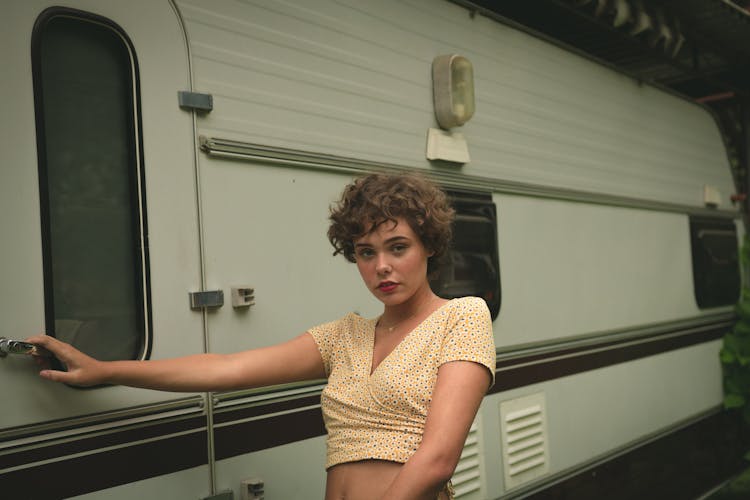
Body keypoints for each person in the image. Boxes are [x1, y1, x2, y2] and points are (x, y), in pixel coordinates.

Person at [27, 172, 496, 500]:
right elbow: (224, 368)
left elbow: (437, 459)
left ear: (429, 245)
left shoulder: (461, 317)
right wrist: (104, 369)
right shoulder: (344, 337)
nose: (382, 267)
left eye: (398, 248)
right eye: (365, 252)